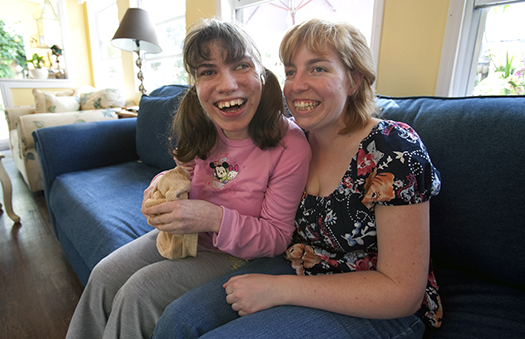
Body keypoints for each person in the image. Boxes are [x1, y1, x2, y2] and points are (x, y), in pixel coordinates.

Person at [153, 18, 442, 339]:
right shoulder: (294, 138)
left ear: (354, 79)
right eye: (291, 71)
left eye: (317, 68)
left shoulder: (393, 148)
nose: (297, 84)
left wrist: (283, 288)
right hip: (298, 267)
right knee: (179, 320)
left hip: (378, 304)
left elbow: (402, 292)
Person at [65, 18, 311, 339]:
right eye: (208, 71)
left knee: (138, 294)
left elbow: (276, 238)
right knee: (104, 276)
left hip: (238, 255)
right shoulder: (205, 125)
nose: (226, 85)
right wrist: (163, 187)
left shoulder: (290, 144)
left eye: (241, 65)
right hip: (186, 239)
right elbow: (186, 176)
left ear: (262, 74)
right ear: (195, 83)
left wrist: (213, 218)